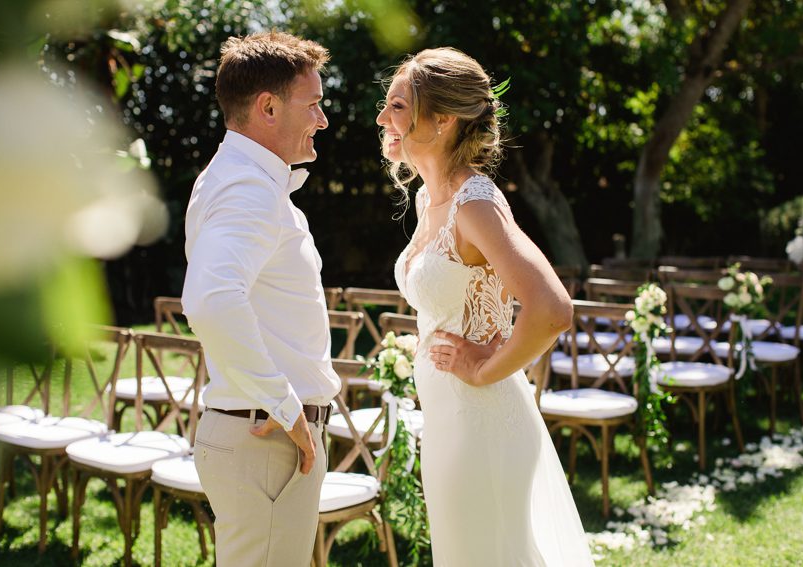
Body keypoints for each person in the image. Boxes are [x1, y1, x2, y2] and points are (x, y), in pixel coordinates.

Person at [376, 47, 595, 566]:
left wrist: (482, 369)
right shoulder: (429, 198)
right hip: (447, 422)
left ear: (444, 119)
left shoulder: (474, 203)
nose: (383, 119)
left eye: (398, 106)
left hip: (482, 424)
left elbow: (552, 308)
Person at [182, 31, 340, 566]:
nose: (322, 119)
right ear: (268, 107)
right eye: (313, 104)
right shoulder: (248, 187)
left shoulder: (240, 178)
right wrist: (286, 406)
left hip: (260, 435)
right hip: (268, 439)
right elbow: (211, 299)